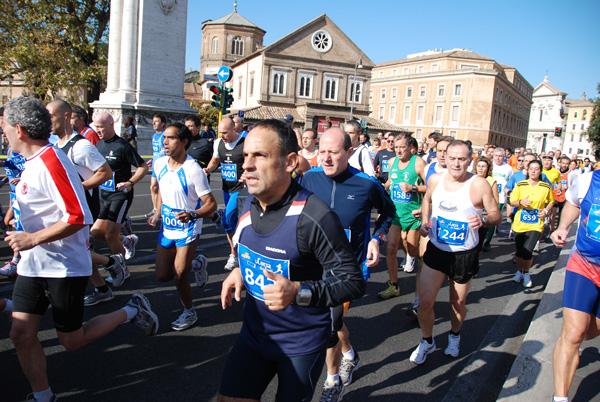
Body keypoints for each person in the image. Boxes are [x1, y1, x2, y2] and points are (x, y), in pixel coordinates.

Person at [4, 97, 158, 402]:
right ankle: (43, 395)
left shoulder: (50, 161)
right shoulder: (34, 162)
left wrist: (31, 239)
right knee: (21, 334)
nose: (2, 130)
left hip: (64, 266)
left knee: (71, 341)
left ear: (18, 130)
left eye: (4, 125)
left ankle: (131, 310)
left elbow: (77, 216)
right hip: (33, 265)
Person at [218, 119, 365, 402]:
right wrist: (239, 269)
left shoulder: (315, 216)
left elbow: (352, 282)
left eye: (259, 155)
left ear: (289, 162)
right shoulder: (246, 201)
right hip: (255, 333)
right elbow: (251, 247)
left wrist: (297, 291)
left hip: (301, 343)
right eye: (246, 155)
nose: (246, 164)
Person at [302, 127, 394, 400]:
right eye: (323, 152)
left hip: (348, 270)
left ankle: (331, 382)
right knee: (329, 319)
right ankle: (350, 355)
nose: (327, 158)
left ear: (350, 153)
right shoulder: (309, 179)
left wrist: (377, 238)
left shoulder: (366, 183)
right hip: (314, 266)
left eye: (334, 152)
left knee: (329, 323)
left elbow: (388, 212)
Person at [410, 140, 501, 364]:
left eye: (462, 159)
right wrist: (424, 222)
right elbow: (428, 199)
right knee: (424, 302)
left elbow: (497, 215)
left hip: (464, 255)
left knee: (457, 303)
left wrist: (484, 219)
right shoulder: (434, 179)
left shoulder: (479, 184)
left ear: (470, 160)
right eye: (452, 158)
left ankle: (454, 335)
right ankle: (427, 341)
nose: (456, 163)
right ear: (445, 158)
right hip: (437, 250)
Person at [46, 100, 126, 307]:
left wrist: (79, 188)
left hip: (81, 210)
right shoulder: (55, 146)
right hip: (64, 210)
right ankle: (102, 284)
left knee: (73, 251)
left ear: (65, 116)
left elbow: (105, 172)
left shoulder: (80, 146)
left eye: (51, 116)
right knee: (72, 251)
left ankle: (109, 265)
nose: (48, 121)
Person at [147, 124, 217, 331]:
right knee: (162, 275)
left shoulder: (193, 169)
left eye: (170, 138)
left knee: (179, 276)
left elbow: (211, 204)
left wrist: (192, 214)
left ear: (184, 141)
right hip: (167, 227)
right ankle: (197, 265)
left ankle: (189, 312)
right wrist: (158, 212)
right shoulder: (159, 163)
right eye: (164, 138)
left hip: (188, 227)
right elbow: (162, 189)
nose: (164, 142)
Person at [550, 169, 600, 402]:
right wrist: (563, 227)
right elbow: (572, 202)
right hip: (584, 265)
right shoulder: (589, 179)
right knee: (573, 333)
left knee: (591, 331)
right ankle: (560, 398)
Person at [91, 112, 148, 267]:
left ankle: (122, 268)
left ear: (111, 125)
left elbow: (142, 167)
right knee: (95, 232)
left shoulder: (122, 146)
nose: (97, 130)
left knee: (110, 234)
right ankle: (126, 240)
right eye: (95, 126)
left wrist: (130, 182)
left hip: (120, 196)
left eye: (100, 127)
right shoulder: (98, 145)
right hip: (104, 195)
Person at [379, 134, 426, 299]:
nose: (398, 150)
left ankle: (425, 276)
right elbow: (390, 182)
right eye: (396, 147)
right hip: (395, 213)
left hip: (413, 214)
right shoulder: (392, 162)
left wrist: (413, 188)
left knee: (412, 249)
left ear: (410, 148)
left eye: (402, 147)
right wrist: (380, 189)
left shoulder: (418, 162)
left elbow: (430, 187)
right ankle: (394, 285)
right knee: (391, 249)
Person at [204, 117, 245, 271]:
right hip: (226, 188)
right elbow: (215, 161)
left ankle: (234, 254)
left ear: (234, 129)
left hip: (241, 188)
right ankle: (236, 249)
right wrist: (208, 169)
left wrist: (248, 174)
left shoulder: (244, 144)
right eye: (220, 132)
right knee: (232, 223)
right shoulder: (217, 143)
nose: (222, 136)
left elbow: (252, 162)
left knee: (228, 219)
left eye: (225, 133)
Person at [509, 160, 554, 288]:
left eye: (536, 169)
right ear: (527, 170)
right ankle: (520, 271)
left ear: (540, 171)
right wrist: (521, 202)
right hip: (520, 222)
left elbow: (551, 201)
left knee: (527, 251)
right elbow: (512, 201)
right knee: (519, 251)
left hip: (535, 224)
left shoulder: (545, 187)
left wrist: (545, 211)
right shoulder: (521, 185)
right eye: (531, 168)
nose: (533, 171)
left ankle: (527, 273)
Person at [481, 148, 513, 251]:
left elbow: (510, 182)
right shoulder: (489, 166)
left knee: (492, 219)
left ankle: (487, 242)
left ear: (504, 157)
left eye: (500, 156)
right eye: (496, 156)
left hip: (499, 197)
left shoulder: (508, 168)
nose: (498, 158)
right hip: (485, 195)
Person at [473, 156, 500, 254]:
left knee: (478, 244)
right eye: (479, 166)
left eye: (483, 166)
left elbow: (496, 201)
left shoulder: (492, 182)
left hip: (482, 216)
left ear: (488, 168)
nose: (480, 168)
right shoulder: (471, 178)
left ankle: (475, 264)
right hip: (470, 214)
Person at [146, 114, 166, 218]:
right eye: (153, 121)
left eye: (156, 121)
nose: (154, 123)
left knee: (162, 188)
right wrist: (151, 159)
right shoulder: (154, 136)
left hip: (164, 166)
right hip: (155, 166)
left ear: (162, 123)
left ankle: (161, 208)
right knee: (153, 186)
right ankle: (155, 208)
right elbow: (156, 151)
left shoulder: (165, 135)